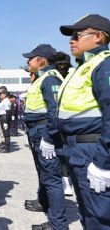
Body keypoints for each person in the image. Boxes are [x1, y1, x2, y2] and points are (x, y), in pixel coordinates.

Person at [58, 14, 110, 228]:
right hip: (77, 149)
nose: (72, 41)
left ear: (98, 36)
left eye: (77, 35)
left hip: (92, 149)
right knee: (87, 212)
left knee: (99, 217)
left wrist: (103, 162)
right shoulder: (82, 67)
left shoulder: (104, 64)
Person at [22, 44, 67, 230]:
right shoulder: (41, 79)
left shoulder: (49, 79)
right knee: (43, 173)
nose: (28, 61)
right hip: (36, 131)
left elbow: (55, 112)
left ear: (41, 60)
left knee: (51, 177)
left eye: (31, 58)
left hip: (44, 132)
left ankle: (58, 224)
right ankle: (43, 202)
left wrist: (48, 138)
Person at [55, 51, 74, 197]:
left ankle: (69, 180)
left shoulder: (73, 77)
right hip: (57, 120)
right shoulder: (53, 78)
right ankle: (65, 180)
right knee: (60, 154)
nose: (62, 67)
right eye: (59, 64)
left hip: (73, 121)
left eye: (64, 65)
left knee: (70, 154)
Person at [0, 86, 11, 153]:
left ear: (5, 94)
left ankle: (7, 148)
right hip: (2, 118)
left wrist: (5, 122)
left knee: (6, 134)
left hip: (4, 118)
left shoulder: (6, 101)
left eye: (0, 94)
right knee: (5, 133)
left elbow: (7, 112)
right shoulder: (3, 101)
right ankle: (5, 146)